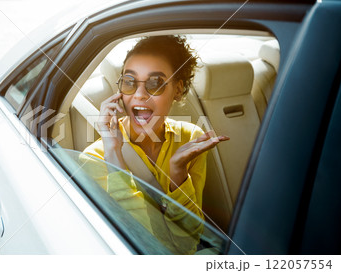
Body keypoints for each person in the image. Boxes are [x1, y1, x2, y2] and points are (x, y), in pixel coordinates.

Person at [80, 35, 229, 254]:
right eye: (130, 82)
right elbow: (140, 244)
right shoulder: (93, 159)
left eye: (156, 83)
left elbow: (186, 245)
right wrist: (114, 154)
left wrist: (178, 176)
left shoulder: (190, 138)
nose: (139, 95)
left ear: (177, 90)